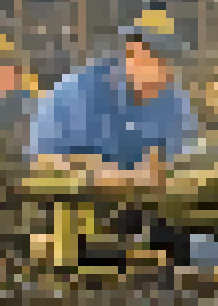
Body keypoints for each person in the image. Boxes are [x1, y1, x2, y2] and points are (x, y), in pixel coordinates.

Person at [28, 16, 197, 183]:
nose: (164, 73)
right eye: (155, 59)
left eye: (171, 63)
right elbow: (44, 162)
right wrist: (112, 176)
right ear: (131, 52)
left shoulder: (173, 101)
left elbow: (181, 161)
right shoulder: (78, 92)